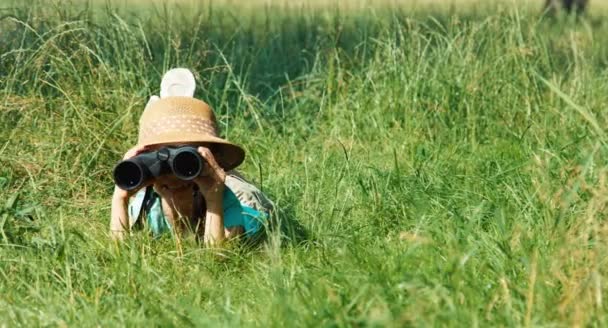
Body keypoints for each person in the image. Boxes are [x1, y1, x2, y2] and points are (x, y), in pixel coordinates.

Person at [109, 69, 273, 245]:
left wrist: (213, 199)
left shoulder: (234, 204)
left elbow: (219, 258)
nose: (171, 169)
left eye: (185, 159)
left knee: (242, 190)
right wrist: (120, 197)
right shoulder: (147, 205)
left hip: (231, 193)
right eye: (158, 158)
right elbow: (119, 253)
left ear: (210, 158)